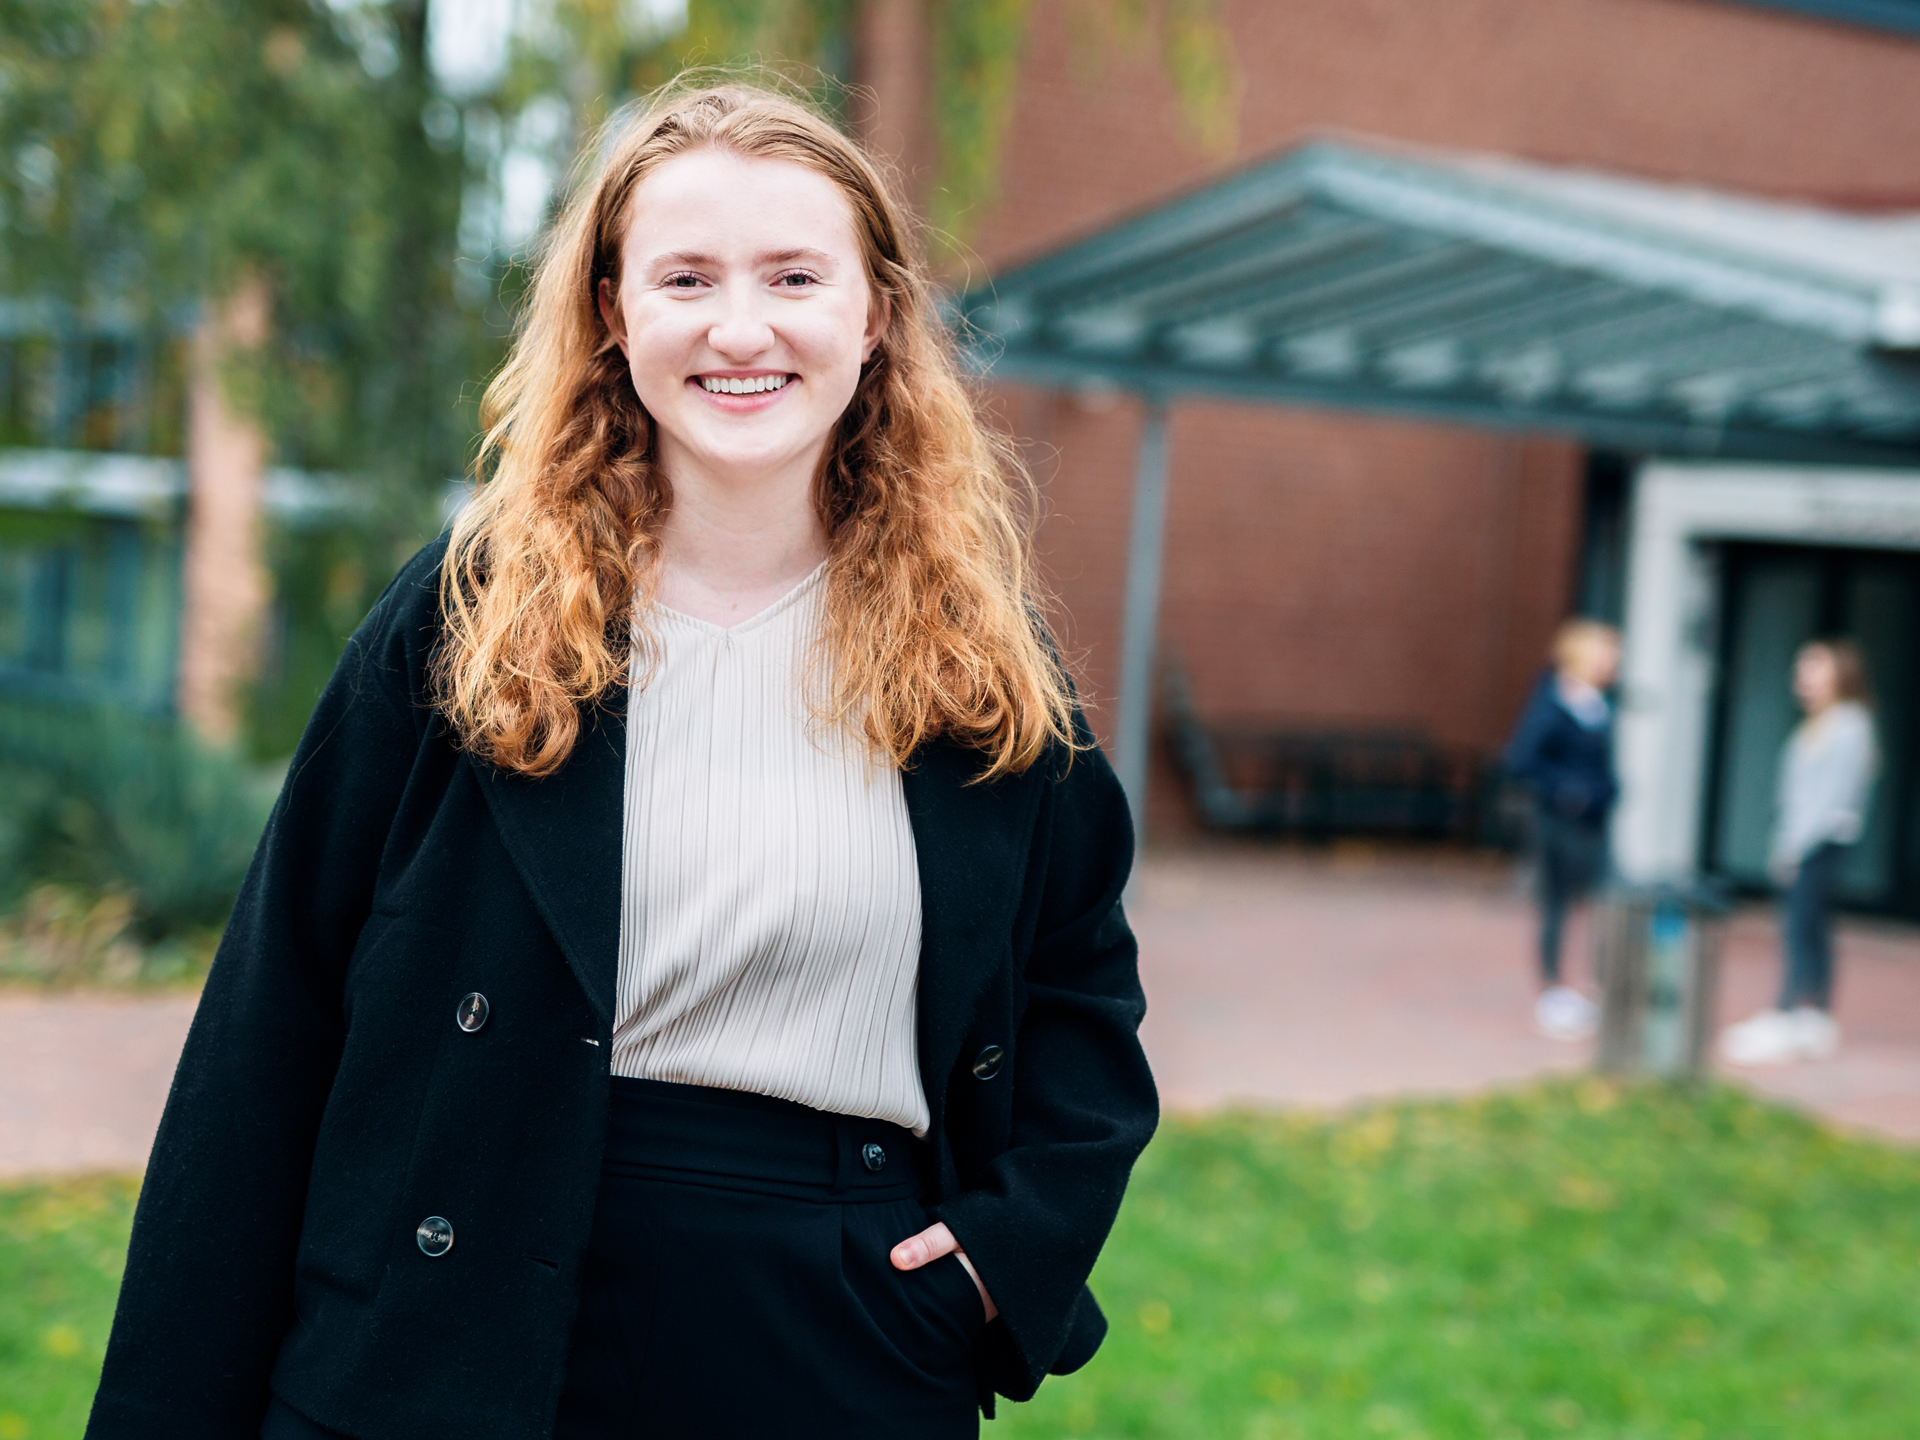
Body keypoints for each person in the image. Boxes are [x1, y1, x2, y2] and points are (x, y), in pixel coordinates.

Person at [84, 81, 1156, 1440]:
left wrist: (1004, 1261)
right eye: (686, 278)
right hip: (453, 1321)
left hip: (846, 1337)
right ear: (613, 312)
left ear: (874, 316)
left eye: (794, 277)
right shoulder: (471, 619)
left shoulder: (972, 658)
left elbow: (1078, 986)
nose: (740, 328)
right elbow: (270, 1025)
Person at [1721, 639, 1877, 1067]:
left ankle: (1789, 1011)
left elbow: (1829, 797)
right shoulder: (1816, 724)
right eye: (1801, 669)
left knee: (1798, 926)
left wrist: (1793, 849)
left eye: (1814, 668)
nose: (1803, 678)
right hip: (1809, 840)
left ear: (1839, 675)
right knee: (1812, 927)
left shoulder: (1849, 725)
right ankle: (1812, 1013)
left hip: (1820, 842)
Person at [1504, 618, 1622, 1040]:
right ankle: (1552, 989)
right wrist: (1568, 792)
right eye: (1606, 654)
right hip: (1557, 823)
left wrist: (1609, 791)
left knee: (1606, 903)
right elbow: (1521, 760)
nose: (1613, 663)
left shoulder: (1602, 704)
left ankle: (1599, 988)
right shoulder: (1552, 703)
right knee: (1555, 903)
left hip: (1594, 824)